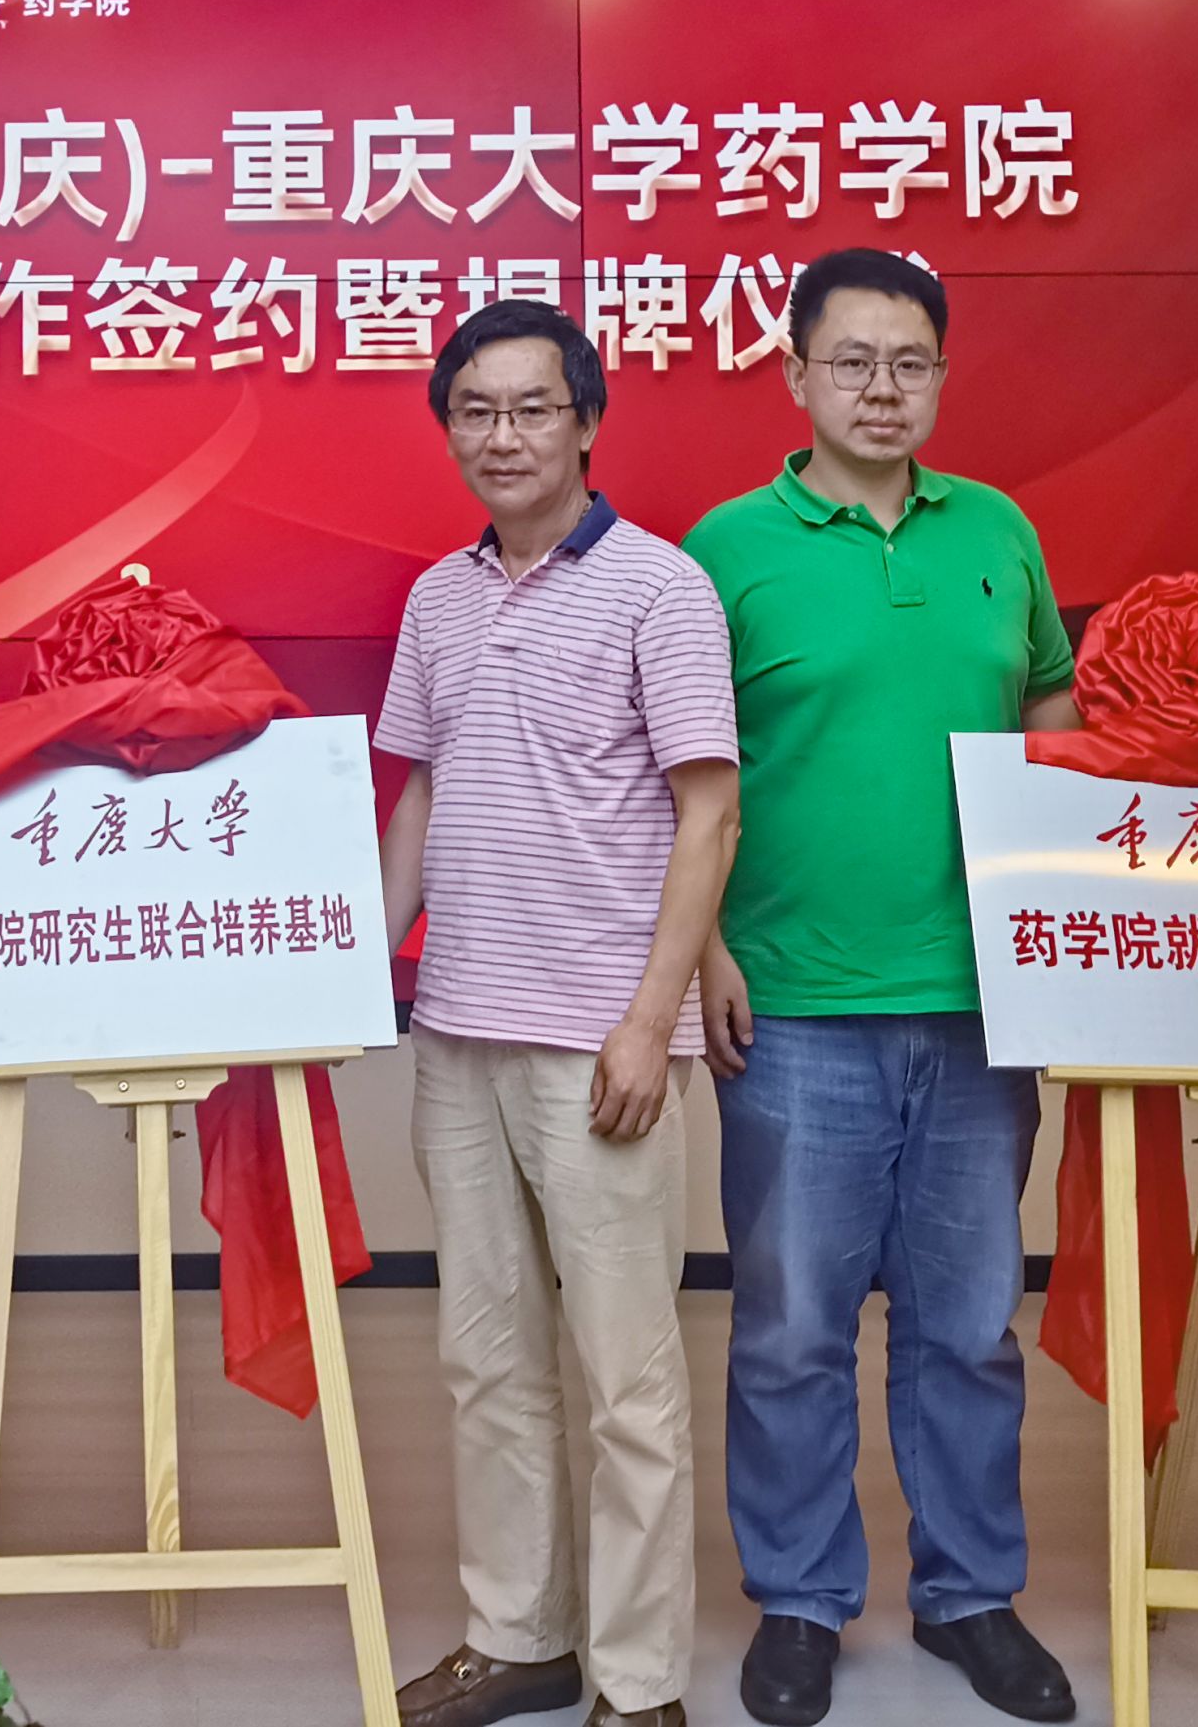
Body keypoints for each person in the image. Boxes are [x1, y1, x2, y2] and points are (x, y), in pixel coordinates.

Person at [683, 249, 1080, 1727]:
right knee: (791, 1328)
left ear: (942, 376)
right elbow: (678, 770)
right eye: (851, 361)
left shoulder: (999, 531)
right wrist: (705, 949)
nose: (882, 389)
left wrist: (1057, 904)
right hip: (790, 1002)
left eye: (911, 363)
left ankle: (971, 1593)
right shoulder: (725, 551)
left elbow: (1051, 701)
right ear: (794, 375)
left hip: (980, 1000)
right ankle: (799, 1599)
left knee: (968, 1323)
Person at [376, 303, 739, 1727]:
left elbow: (709, 814)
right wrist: (362, 960)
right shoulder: (438, 598)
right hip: (458, 1031)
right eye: (475, 410)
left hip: (601, 1040)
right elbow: (421, 791)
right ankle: (518, 1633)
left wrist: (653, 1021)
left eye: (533, 407)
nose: (504, 435)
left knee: (626, 1378)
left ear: (587, 421)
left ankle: (641, 1685)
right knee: (487, 1356)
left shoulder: (663, 589)